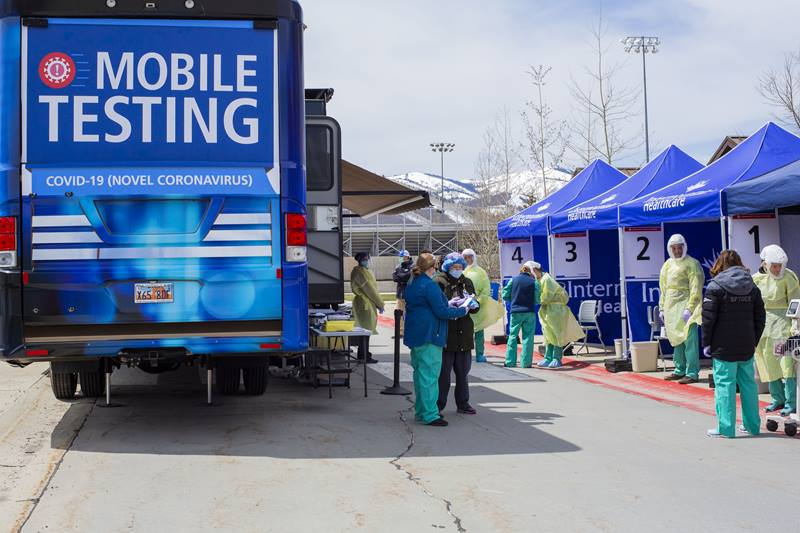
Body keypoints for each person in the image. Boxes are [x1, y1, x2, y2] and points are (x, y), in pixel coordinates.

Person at [702, 250, 765, 438]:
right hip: (746, 344)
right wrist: (754, 339)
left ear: (720, 265)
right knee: (748, 385)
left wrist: (706, 342)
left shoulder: (715, 286)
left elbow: (707, 319)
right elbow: (760, 316)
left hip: (723, 346)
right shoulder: (752, 285)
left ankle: (726, 428)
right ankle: (753, 427)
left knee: (725, 385)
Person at [404, 253, 469, 427]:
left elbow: (430, 305)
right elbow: (441, 311)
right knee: (430, 377)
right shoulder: (429, 285)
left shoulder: (412, 283)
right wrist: (462, 310)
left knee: (420, 375)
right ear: (433, 268)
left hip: (416, 334)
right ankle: (430, 415)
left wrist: (448, 302)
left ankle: (421, 411)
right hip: (430, 334)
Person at [753, 244, 800, 415]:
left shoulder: (789, 277)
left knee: (786, 363)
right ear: (765, 264)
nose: (777, 269)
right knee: (768, 362)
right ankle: (777, 399)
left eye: (780, 265)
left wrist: (795, 326)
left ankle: (791, 402)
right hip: (764, 325)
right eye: (774, 266)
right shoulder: (756, 279)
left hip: (783, 325)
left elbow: (795, 303)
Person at [435, 253, 481, 415]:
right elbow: (438, 306)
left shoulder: (466, 282)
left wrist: (474, 305)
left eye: (460, 267)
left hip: (464, 332)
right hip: (447, 332)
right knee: (443, 375)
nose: (458, 270)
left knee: (463, 372)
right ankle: (438, 405)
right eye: (455, 267)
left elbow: (475, 304)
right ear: (448, 267)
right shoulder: (439, 281)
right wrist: (450, 304)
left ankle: (463, 403)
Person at [659, 234, 704, 384]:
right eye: (674, 248)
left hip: (687, 305)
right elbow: (663, 288)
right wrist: (661, 308)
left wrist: (690, 308)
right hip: (671, 307)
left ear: (684, 247)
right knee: (676, 339)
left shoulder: (692, 264)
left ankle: (692, 372)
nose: (677, 251)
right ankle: (679, 369)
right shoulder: (667, 265)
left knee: (689, 339)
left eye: (680, 248)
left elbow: (696, 287)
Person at [534, 264, 584, 368]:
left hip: (556, 311)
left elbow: (546, 297)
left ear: (535, 269)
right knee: (548, 336)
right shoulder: (539, 280)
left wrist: (536, 300)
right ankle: (548, 358)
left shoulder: (547, 279)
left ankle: (557, 358)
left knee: (557, 334)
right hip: (548, 311)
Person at [462, 248, 501, 363]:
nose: (468, 260)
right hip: (464, 307)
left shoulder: (480, 272)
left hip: (478, 307)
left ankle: (480, 353)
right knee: (464, 332)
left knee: (479, 332)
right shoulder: (462, 271)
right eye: (465, 257)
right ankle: (465, 354)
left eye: (470, 257)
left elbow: (486, 289)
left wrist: (478, 302)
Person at [501, 261, 540, 368]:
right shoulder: (534, 282)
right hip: (529, 312)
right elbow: (537, 300)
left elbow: (504, 295)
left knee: (513, 336)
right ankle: (526, 363)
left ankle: (510, 362)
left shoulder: (513, 280)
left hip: (515, 312)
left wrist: (513, 300)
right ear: (530, 272)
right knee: (528, 337)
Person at [350, 252, 384, 364]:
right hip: (366, 303)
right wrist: (380, 303)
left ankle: (363, 354)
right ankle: (364, 355)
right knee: (366, 330)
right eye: (365, 259)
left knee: (364, 330)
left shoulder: (359, 271)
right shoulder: (361, 272)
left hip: (364, 302)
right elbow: (370, 290)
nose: (367, 260)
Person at [392, 250, 414, 336]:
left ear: (408, 257)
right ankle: (400, 332)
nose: (403, 259)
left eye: (404, 257)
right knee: (398, 313)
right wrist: (403, 276)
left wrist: (400, 276)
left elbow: (407, 276)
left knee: (410, 314)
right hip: (400, 294)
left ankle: (410, 331)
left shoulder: (412, 266)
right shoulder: (398, 266)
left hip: (410, 294)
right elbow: (395, 278)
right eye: (401, 257)